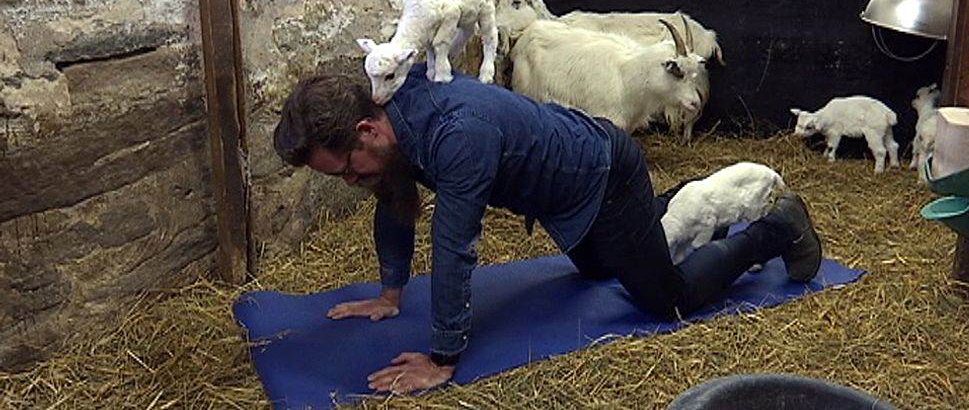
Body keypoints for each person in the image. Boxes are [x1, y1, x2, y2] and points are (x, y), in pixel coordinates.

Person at [273, 63, 821, 394]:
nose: (348, 180)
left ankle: (777, 228)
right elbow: (389, 192)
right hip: (567, 192)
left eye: (345, 168)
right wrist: (390, 293)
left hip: (603, 174)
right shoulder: (392, 118)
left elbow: (456, 247)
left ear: (367, 129)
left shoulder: (456, 137)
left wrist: (443, 358)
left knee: (665, 299)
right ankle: (676, 206)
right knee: (601, 266)